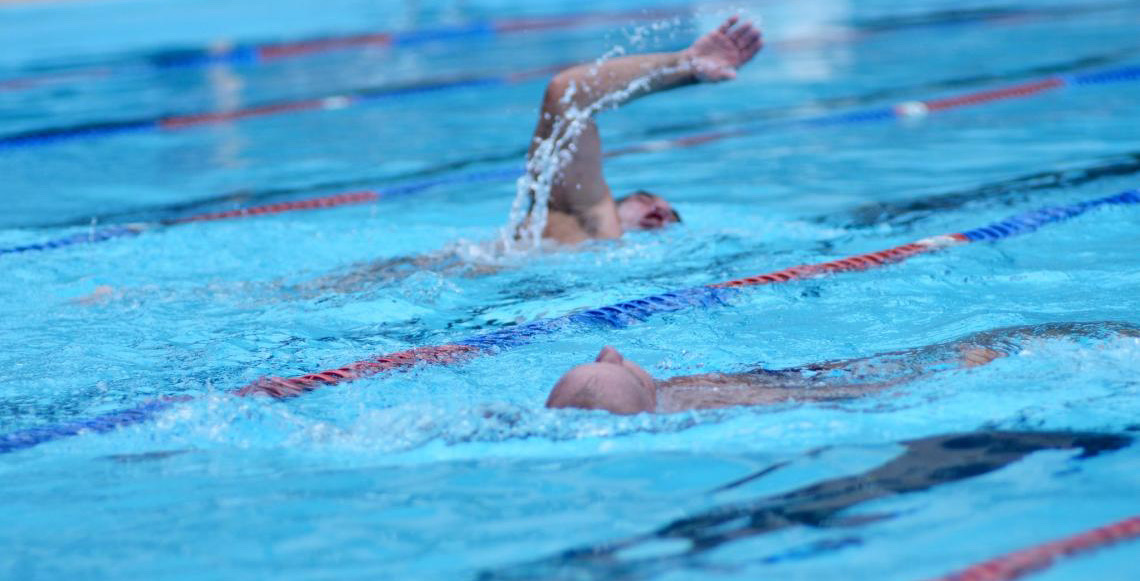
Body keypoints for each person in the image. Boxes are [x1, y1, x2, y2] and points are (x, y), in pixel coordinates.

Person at [545, 321, 1140, 414]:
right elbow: (845, 397)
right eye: (616, 366)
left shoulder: (676, 393)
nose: (611, 351)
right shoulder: (705, 403)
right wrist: (953, 375)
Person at [522, 15, 763, 244]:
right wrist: (684, 65)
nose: (661, 210)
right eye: (644, 199)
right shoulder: (582, 221)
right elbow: (569, 94)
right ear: (610, 206)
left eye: (672, 218)